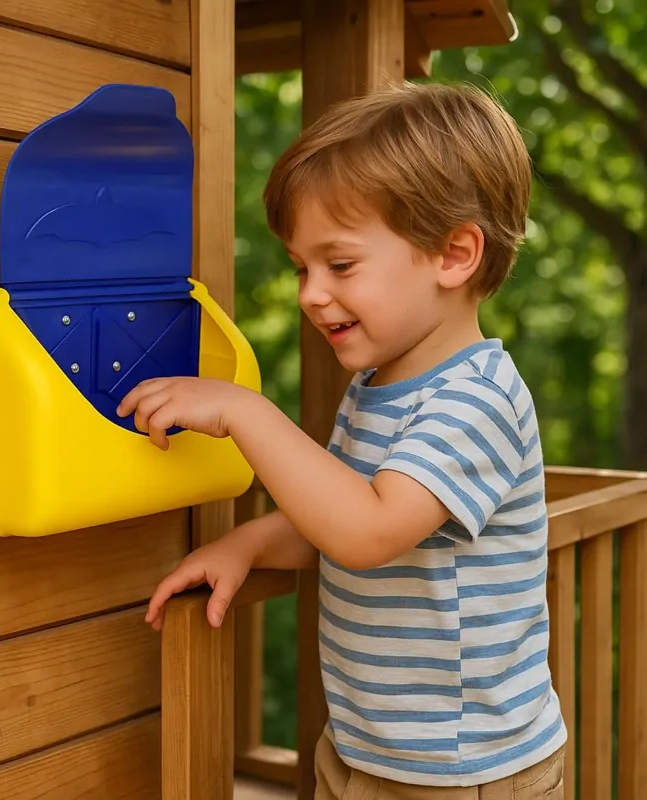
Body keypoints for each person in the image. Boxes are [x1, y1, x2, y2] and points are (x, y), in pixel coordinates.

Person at [116, 80, 567, 798]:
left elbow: (368, 530)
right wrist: (251, 545)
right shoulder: (377, 389)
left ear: (454, 255)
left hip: (463, 772)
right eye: (302, 267)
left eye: (341, 264)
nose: (309, 293)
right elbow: (332, 517)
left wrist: (245, 412)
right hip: (367, 747)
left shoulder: (477, 400)